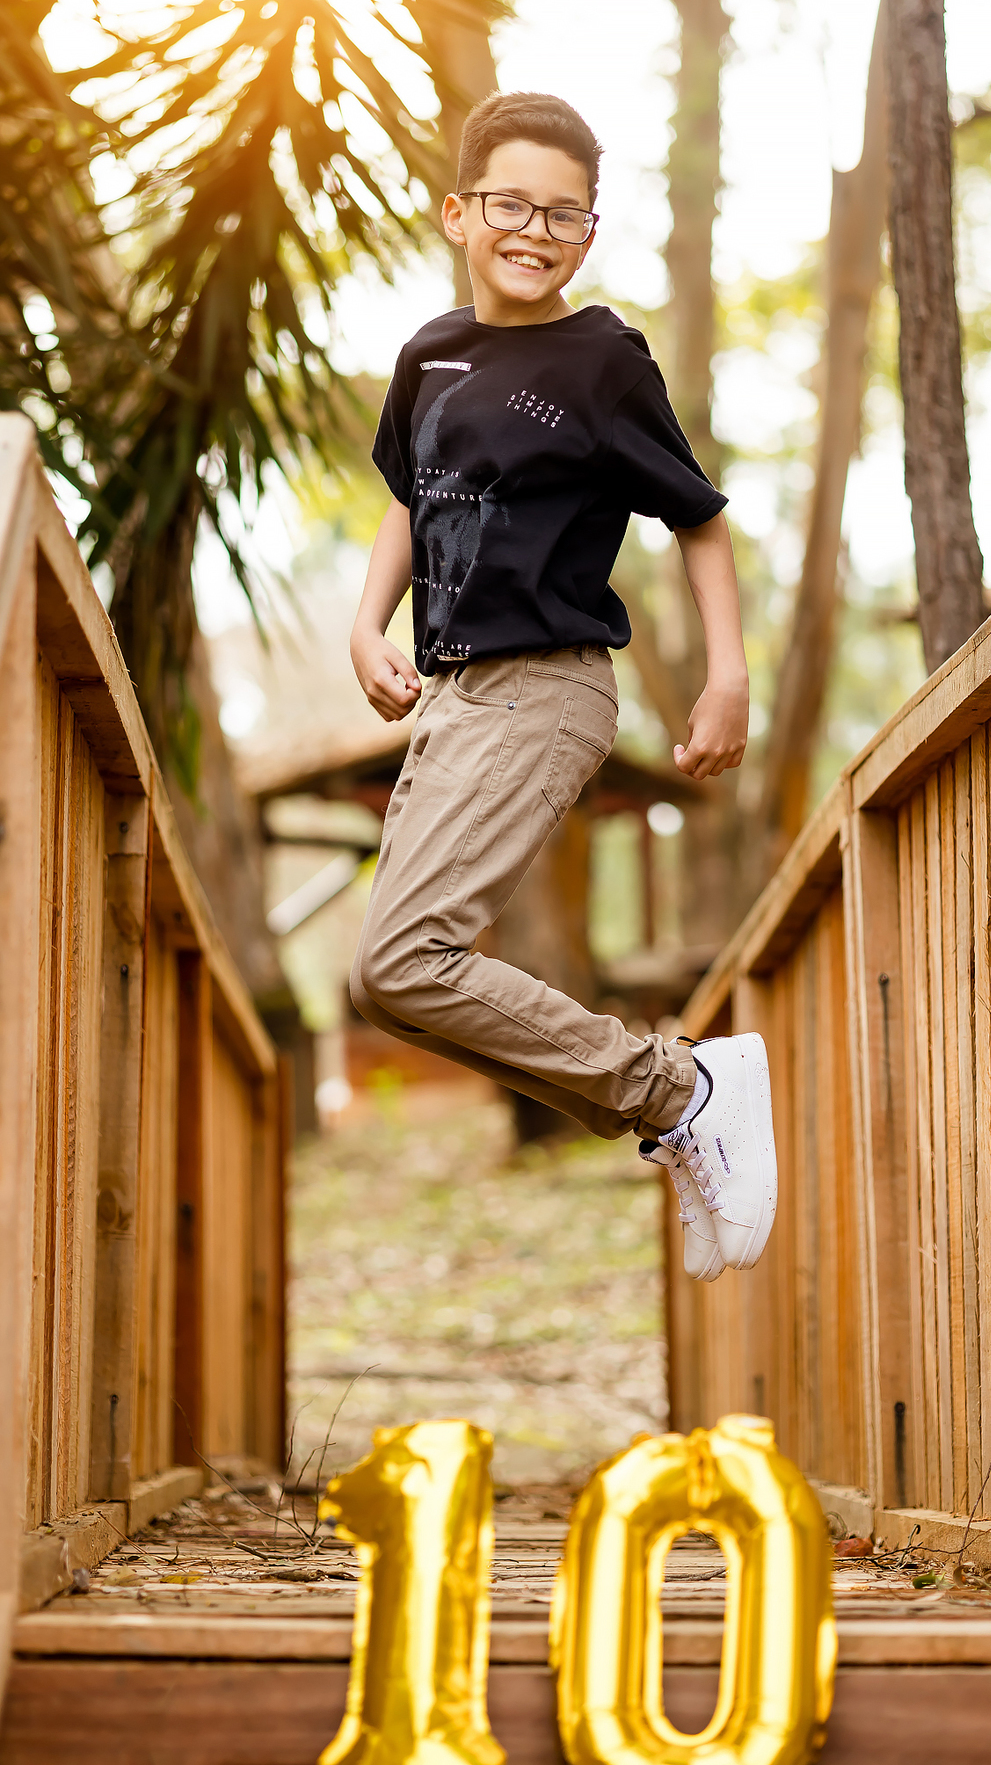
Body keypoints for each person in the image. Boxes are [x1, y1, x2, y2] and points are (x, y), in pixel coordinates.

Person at [348, 90, 776, 1282]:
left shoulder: (602, 359)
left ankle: (682, 1087)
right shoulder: (427, 355)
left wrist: (728, 675)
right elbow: (404, 494)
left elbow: (696, 518)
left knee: (402, 962)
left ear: (590, 232)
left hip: (547, 684)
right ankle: (675, 1099)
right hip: (449, 699)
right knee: (390, 985)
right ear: (458, 213)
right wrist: (365, 625)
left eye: (565, 214)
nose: (535, 231)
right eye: (511, 206)